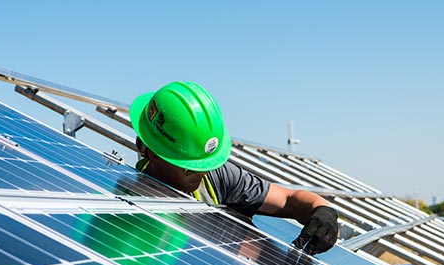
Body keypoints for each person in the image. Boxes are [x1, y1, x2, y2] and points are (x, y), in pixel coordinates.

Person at [131, 81, 339, 255]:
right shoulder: (133, 212)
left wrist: (322, 211)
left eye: (206, 163)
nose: (202, 173)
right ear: (153, 154)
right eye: (189, 167)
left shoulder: (215, 177)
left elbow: (287, 200)